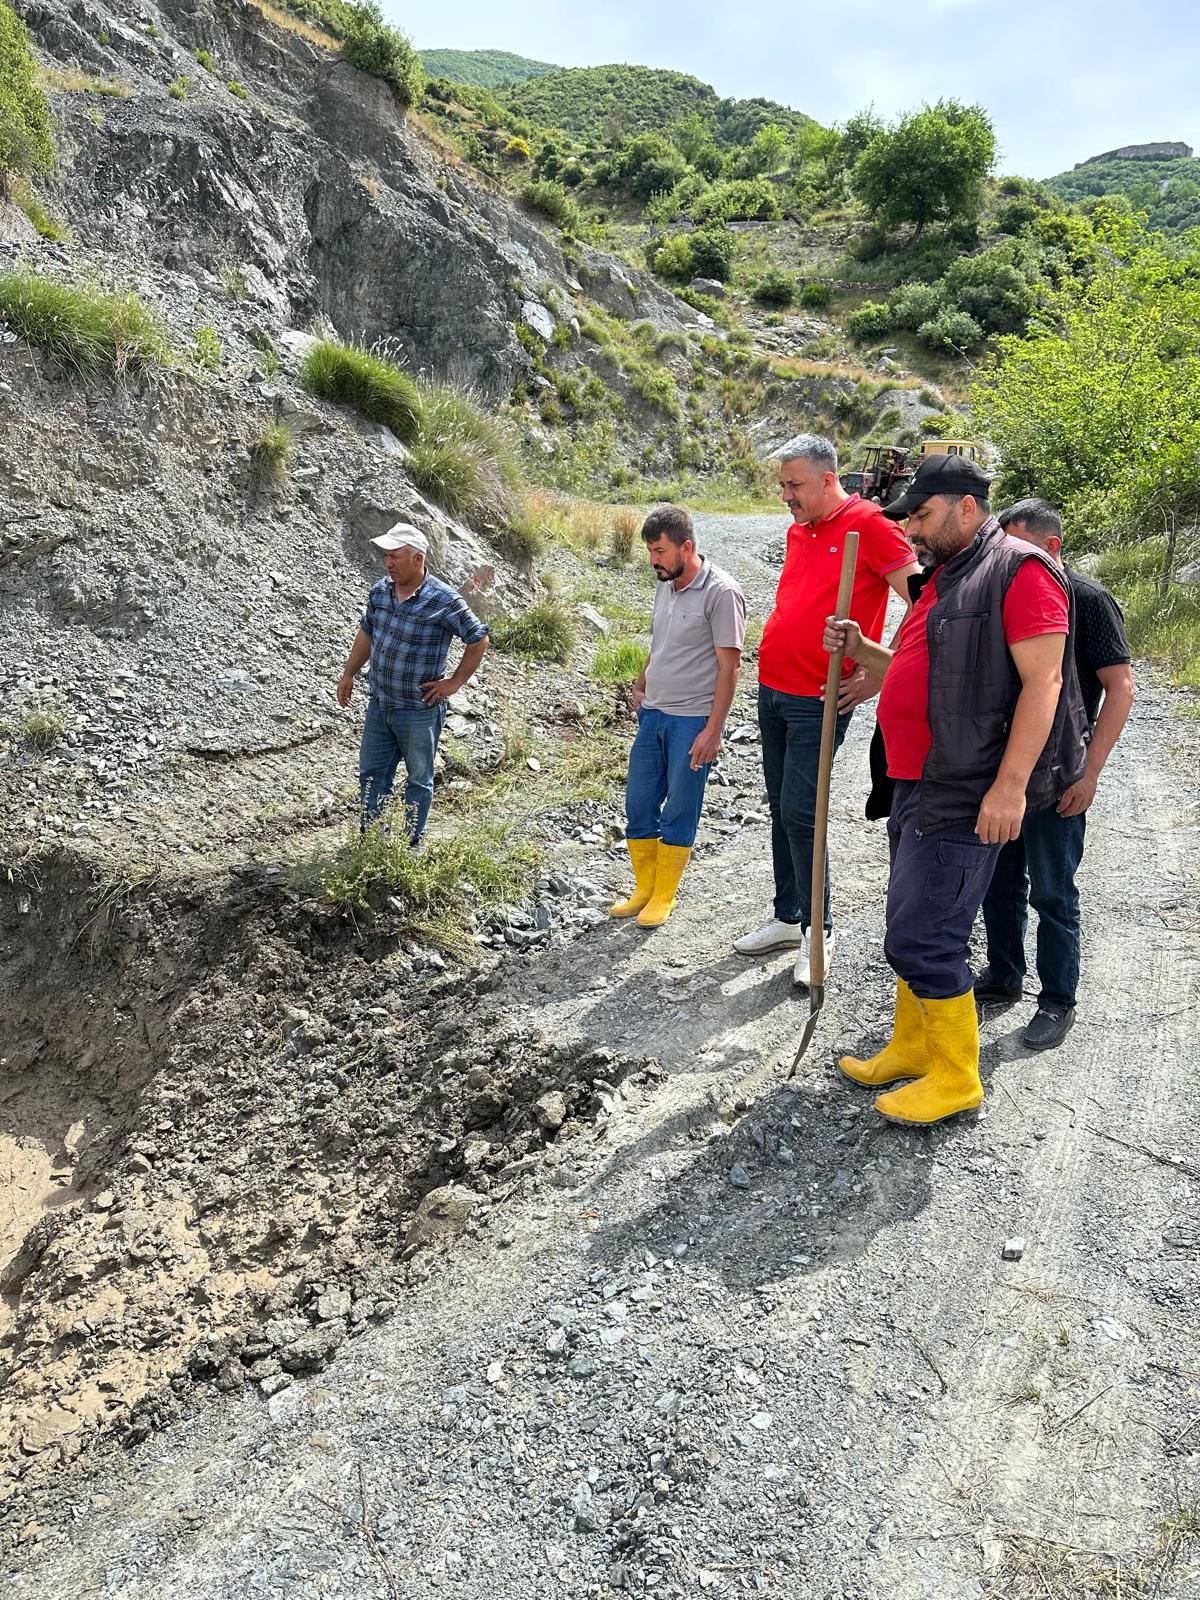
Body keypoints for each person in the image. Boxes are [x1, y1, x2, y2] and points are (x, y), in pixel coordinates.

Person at [823, 456, 1087, 1126]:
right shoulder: (946, 579)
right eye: (908, 515)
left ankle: (957, 1077)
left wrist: (1009, 786)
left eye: (923, 512)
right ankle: (912, 1046)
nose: (912, 526)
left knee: (923, 935)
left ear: (967, 506)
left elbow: (1045, 684)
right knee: (912, 923)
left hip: (967, 789)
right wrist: (862, 646)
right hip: (914, 780)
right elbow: (919, 673)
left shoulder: (1020, 570)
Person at [734, 433, 919, 984]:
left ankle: (820, 930)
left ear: (828, 479)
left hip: (821, 697)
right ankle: (789, 916)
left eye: (795, 485)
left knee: (801, 811)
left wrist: (881, 672)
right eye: (782, 485)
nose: (786, 495)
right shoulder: (800, 529)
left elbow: (927, 602)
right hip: (773, 687)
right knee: (779, 806)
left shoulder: (872, 526)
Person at [975, 499, 1135, 1048]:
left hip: (1061, 774)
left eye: (1020, 547)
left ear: (1052, 547)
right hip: (1007, 769)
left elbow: (1121, 688)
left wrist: (1090, 773)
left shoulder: (1086, 599)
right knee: (999, 883)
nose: (1009, 558)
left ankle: (1057, 1000)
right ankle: (1002, 976)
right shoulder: (1001, 589)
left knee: (1053, 892)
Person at [609, 505, 746, 927]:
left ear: (687, 547)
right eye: (650, 551)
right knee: (639, 803)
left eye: (660, 551)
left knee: (680, 809)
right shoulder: (666, 584)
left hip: (692, 721)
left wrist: (713, 730)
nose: (654, 559)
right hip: (653, 715)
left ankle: (664, 895)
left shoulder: (722, 592)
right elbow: (662, 641)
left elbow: (731, 667)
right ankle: (644, 889)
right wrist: (642, 679)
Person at [337, 524, 488, 845]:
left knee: (419, 779)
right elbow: (367, 632)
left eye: (395, 557)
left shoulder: (444, 600)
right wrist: (349, 673)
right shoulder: (380, 592)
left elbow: (478, 638)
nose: (388, 563)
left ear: (418, 559)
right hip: (380, 705)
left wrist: (454, 683)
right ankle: (373, 842)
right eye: (386, 556)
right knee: (371, 777)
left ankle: (410, 843)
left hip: (420, 710)